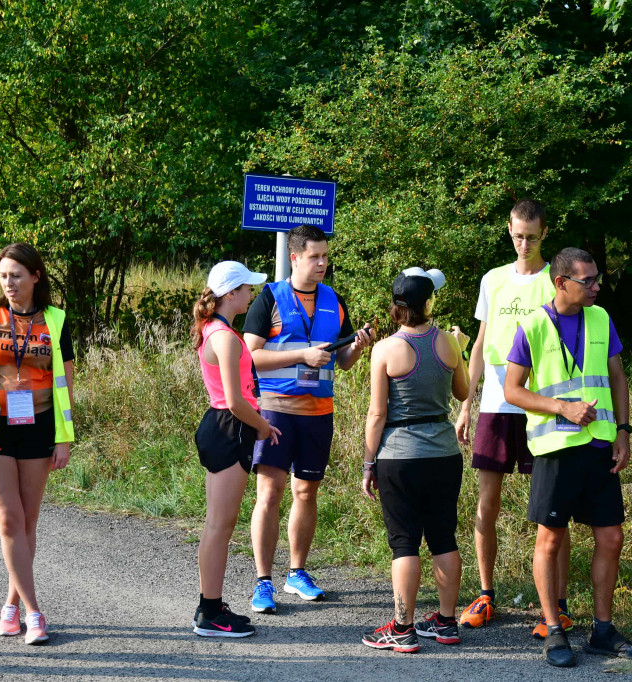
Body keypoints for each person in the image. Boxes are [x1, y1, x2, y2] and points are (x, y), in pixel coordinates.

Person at [504, 247, 632, 668]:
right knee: (550, 539)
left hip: (601, 446)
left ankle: (603, 631)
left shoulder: (601, 318)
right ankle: (554, 629)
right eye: (587, 281)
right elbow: (514, 390)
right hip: (554, 452)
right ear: (561, 282)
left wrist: (623, 431)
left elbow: (618, 377)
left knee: (611, 537)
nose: (596, 287)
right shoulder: (531, 325)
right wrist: (561, 407)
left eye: (597, 278)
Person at [455, 199, 573, 636]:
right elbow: (483, 339)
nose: (524, 244)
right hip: (495, 405)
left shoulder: (554, 280)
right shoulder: (493, 279)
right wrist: (466, 401)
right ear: (508, 229)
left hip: (543, 405)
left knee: (553, 510)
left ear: (545, 234)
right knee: (488, 503)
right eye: (518, 235)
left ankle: (557, 606)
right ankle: (486, 595)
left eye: (532, 236)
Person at [242, 225, 372, 613]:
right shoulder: (270, 298)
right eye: (315, 257)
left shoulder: (334, 299)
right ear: (294, 257)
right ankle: (263, 581)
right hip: (276, 411)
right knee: (270, 493)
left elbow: (343, 362)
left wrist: (358, 348)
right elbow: (250, 356)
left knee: (306, 492)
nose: (322, 264)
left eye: (326, 256)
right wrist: (301, 356)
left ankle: (296, 572)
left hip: (319, 413)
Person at [0, 243, 74, 646]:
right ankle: (34, 612)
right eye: (4, 275)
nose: (9, 283)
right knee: (8, 521)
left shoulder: (56, 320)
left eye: (17, 275)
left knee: (26, 523)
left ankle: (10, 606)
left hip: (40, 429)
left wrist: (63, 437)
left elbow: (66, 383)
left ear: (36, 277)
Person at [359, 268, 469, 653]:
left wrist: (368, 463)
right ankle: (446, 621)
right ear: (429, 304)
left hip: (399, 456)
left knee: (404, 543)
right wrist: (461, 348)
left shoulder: (385, 350)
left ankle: (402, 627)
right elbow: (463, 392)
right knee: (443, 536)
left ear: (395, 307)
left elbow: (377, 414)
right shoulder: (449, 345)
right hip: (443, 453)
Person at [190, 261, 281, 638]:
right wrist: (264, 427)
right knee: (220, 525)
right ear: (231, 294)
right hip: (230, 427)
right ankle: (210, 613)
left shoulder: (216, 329)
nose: (252, 294)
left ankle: (210, 605)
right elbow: (235, 400)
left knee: (218, 524)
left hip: (224, 426)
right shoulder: (225, 337)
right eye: (247, 289)